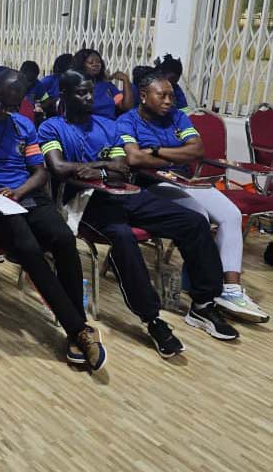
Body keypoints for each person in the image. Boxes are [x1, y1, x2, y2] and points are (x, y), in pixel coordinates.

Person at [39, 70, 239, 358]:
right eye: (81, 93)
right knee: (123, 237)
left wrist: (96, 169)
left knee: (193, 221)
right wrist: (104, 166)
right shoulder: (51, 128)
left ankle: (203, 305)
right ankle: (152, 319)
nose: (88, 98)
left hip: (124, 194)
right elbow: (59, 168)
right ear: (64, 95)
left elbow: (123, 167)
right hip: (84, 203)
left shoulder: (107, 125)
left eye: (91, 92)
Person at [0, 73, 107, 370]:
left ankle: (75, 327)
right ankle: (79, 330)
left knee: (64, 239)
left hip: (25, 196)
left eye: (9, 106)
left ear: (18, 105)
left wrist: (19, 191)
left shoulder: (23, 126)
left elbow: (40, 172)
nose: (1, 109)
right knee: (29, 249)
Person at [118, 72, 268, 322]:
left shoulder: (178, 117)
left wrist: (155, 150)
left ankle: (231, 290)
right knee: (197, 217)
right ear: (143, 96)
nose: (169, 101)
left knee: (231, 215)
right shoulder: (127, 121)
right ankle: (201, 289)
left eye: (171, 96)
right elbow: (134, 158)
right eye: (162, 95)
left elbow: (197, 150)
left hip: (186, 180)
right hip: (154, 184)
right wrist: (177, 153)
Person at [67, 48, 134, 119]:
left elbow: (126, 107)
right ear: (81, 65)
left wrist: (125, 80)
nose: (96, 65)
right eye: (91, 63)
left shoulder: (107, 86)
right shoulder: (75, 86)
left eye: (98, 62)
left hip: (109, 123)